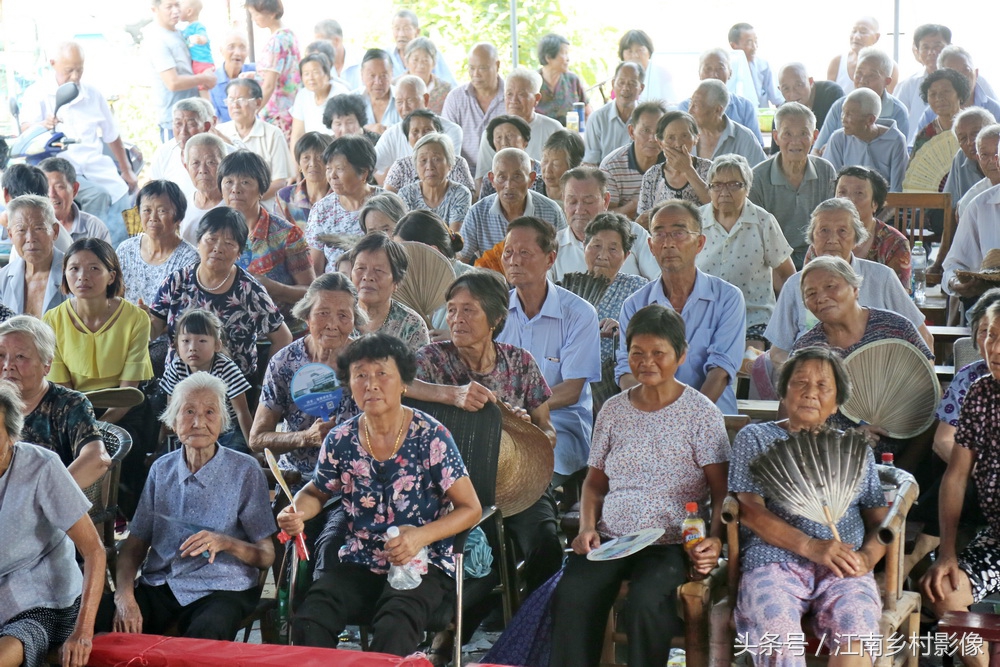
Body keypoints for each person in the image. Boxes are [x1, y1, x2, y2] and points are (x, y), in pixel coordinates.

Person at [549, 304, 728, 667]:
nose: (647, 362)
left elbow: (722, 492)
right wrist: (586, 529)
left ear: (680, 354)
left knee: (648, 601)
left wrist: (714, 538)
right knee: (571, 593)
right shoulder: (614, 410)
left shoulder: (701, 413)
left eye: (658, 353)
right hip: (612, 538)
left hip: (671, 542)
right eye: (637, 353)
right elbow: (594, 484)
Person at [278, 333, 479, 655]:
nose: (371, 384)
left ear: (403, 383)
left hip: (422, 562)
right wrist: (298, 512)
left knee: (395, 623)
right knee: (312, 614)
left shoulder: (430, 436)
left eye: (382, 374)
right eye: (360, 375)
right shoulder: (341, 439)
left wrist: (418, 537)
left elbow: (470, 508)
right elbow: (315, 492)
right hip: (360, 559)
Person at [728, 346, 887, 664]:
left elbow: (882, 523)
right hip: (774, 564)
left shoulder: (853, 450)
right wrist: (811, 546)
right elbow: (749, 510)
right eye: (799, 382)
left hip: (843, 564)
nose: (810, 392)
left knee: (857, 628)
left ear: (837, 402)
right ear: (783, 392)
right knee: (779, 633)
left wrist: (867, 558)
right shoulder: (756, 438)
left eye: (823, 386)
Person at [414, 269, 561, 594]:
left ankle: (537, 631)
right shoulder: (432, 358)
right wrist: (450, 394)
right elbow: (396, 384)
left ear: (494, 317)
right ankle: (454, 638)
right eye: (451, 309)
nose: (456, 319)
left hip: (520, 475)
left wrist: (527, 433)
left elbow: (548, 431)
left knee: (545, 543)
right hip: (455, 485)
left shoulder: (519, 362)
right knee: (488, 558)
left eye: (469, 310)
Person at [99, 373, 275, 640]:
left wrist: (225, 542)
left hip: (223, 588)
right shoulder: (162, 469)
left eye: (209, 412)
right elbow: (134, 546)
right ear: (173, 419)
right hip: (162, 584)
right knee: (95, 619)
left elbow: (265, 556)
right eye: (188, 411)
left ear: (222, 421)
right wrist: (125, 597)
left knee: (206, 635)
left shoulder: (245, 470)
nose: (198, 422)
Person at [0, 379, 105, 667]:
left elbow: (95, 550)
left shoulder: (41, 467)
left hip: (43, 602)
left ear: (12, 435)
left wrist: (83, 632)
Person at [921, 299, 1000, 667]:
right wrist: (947, 553)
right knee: (943, 591)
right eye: (990, 336)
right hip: (997, 536)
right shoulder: (981, 392)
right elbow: (955, 475)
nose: (995, 348)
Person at [766, 199, 931, 368]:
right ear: (812, 238)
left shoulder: (882, 278)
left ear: (856, 239)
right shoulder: (795, 284)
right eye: (824, 230)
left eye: (842, 231)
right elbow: (778, 352)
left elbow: (923, 337)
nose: (832, 239)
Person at [496, 216, 600, 485]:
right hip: (503, 424)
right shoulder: (495, 313)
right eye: (508, 252)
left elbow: (572, 389)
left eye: (525, 253)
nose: (514, 260)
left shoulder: (579, 314)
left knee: (529, 475)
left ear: (550, 259)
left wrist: (521, 409)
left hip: (561, 424)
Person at [616, 200, 745, 414]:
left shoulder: (727, 298)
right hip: (650, 418)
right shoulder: (635, 304)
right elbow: (626, 371)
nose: (668, 243)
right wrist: (652, 413)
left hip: (709, 416)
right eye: (659, 234)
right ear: (650, 246)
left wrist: (685, 418)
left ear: (700, 243)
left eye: (678, 233)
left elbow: (720, 369)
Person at [149, 207, 292, 379]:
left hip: (233, 390)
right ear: (198, 242)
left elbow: (283, 337)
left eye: (229, 243)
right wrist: (142, 321)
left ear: (239, 253)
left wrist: (265, 386)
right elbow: (154, 329)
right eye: (211, 239)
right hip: (179, 383)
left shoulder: (249, 290)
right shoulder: (177, 281)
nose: (218, 248)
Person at [19, 41, 137, 240]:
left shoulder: (92, 94)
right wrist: (42, 125)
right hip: (63, 172)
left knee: (126, 195)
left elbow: (112, 135)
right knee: (98, 196)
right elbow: (24, 131)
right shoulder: (37, 93)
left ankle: (125, 250)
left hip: (96, 167)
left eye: (79, 70)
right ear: (53, 63)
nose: (75, 76)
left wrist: (127, 171)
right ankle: (90, 250)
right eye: (69, 70)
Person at [697, 154, 795, 348]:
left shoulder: (763, 221)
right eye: (717, 185)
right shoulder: (696, 221)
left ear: (747, 189)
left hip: (753, 317)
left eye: (734, 185)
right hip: (704, 316)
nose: (724, 192)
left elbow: (786, 276)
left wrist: (786, 322)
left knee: (751, 360)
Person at [0, 315, 108, 489]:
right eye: (1, 355)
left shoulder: (69, 404)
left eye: (20, 356)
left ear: (47, 364)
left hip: (48, 507)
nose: (7, 365)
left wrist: (45, 498)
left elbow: (97, 459)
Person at [43, 238, 153, 405]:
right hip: (70, 409)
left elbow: (129, 393)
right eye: (74, 268)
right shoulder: (52, 320)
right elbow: (62, 389)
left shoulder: (136, 318)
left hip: (123, 409)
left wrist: (99, 427)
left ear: (111, 276)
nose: (82, 277)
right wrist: (82, 424)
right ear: (65, 273)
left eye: (94, 268)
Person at [217, 151, 315, 312]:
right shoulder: (214, 232)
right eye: (228, 182)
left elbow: (311, 293)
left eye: (245, 182)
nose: (235, 189)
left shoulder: (287, 235)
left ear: (262, 189)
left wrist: (276, 289)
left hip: (285, 328)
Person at [749, 102, 837, 269]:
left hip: (818, 257)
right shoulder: (757, 177)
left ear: (815, 136)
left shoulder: (826, 171)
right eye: (787, 134)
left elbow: (831, 223)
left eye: (804, 133)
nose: (795, 142)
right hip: (774, 261)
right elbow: (757, 236)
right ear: (776, 137)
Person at [559, 212, 648, 373]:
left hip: (621, 374)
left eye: (613, 249)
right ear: (584, 246)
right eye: (596, 245)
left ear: (626, 255)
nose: (603, 255)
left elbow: (652, 335)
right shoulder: (567, 289)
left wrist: (624, 331)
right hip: (571, 372)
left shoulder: (638, 288)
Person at [160, 308, 251, 452]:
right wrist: (160, 443)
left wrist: (255, 449)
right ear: (176, 344)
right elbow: (172, 412)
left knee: (233, 454)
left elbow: (242, 412)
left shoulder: (226, 368)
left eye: (202, 340)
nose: (193, 348)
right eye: (186, 341)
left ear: (217, 345)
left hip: (226, 430)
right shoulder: (176, 367)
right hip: (189, 428)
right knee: (168, 457)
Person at [804, 166, 910, 285]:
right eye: (842, 192)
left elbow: (899, 296)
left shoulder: (895, 244)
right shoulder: (822, 237)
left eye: (859, 193)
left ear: (875, 203)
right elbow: (807, 287)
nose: (848, 199)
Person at [550, 167, 658, 281]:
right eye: (572, 201)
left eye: (588, 201)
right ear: (564, 201)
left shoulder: (634, 233)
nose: (579, 210)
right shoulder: (552, 246)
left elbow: (659, 279)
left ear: (605, 200)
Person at [459, 148, 567, 262]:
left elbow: (563, 258)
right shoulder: (477, 213)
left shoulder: (552, 211)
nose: (509, 185)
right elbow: (461, 258)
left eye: (517, 177)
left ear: (531, 179)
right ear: (492, 179)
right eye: (502, 177)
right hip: (493, 278)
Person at [306, 135, 385, 272]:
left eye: (339, 169)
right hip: (336, 287)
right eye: (329, 169)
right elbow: (315, 269)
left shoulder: (387, 204)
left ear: (363, 172)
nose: (332, 176)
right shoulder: (322, 209)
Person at [474, 68, 564, 188]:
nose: (513, 100)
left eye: (521, 94)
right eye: (509, 94)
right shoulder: (494, 131)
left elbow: (563, 175)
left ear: (536, 99)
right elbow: (482, 178)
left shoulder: (553, 129)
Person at [116, 179, 198, 306]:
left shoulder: (189, 260)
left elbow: (185, 313)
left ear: (179, 217)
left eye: (162, 211)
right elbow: (114, 297)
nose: (153, 218)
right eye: (147, 210)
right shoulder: (126, 250)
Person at [144, 0, 217, 141]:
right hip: (174, 123)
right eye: (169, 6)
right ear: (155, 10)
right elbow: (173, 82)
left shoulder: (182, 33)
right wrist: (204, 78)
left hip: (194, 116)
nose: (175, 10)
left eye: (177, 4)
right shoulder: (157, 39)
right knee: (176, 161)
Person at [814, 47, 911, 153]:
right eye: (859, 74)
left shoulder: (897, 111)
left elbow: (896, 152)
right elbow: (817, 150)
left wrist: (837, 147)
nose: (863, 80)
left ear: (887, 81)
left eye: (871, 76)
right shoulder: (840, 106)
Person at [216, 78, 295, 206]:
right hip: (227, 207)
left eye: (241, 100)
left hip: (263, 207)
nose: (235, 105)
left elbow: (280, 181)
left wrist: (249, 201)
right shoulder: (220, 132)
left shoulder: (273, 134)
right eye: (231, 100)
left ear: (258, 103)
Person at [349, 232, 429, 351]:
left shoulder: (411, 325)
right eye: (360, 268)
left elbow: (420, 368)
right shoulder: (338, 315)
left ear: (396, 282)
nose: (367, 276)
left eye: (379, 270)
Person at [373, 82, 464, 182]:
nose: (405, 108)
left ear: (425, 99)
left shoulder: (452, 131)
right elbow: (371, 165)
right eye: (399, 102)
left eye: (410, 101)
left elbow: (450, 173)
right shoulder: (391, 135)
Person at [824, 88, 909, 192]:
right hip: (846, 204)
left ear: (870, 120)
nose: (843, 119)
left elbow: (897, 190)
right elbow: (831, 183)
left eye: (849, 115)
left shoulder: (896, 140)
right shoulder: (838, 138)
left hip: (883, 205)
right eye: (843, 113)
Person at [677, 48, 764, 146]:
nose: (714, 74)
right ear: (699, 74)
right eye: (708, 68)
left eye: (720, 68)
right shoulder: (685, 108)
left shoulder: (745, 107)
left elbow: (756, 145)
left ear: (730, 73)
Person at [0, 195, 70, 316]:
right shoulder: (3, 278)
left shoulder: (75, 275)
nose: (30, 238)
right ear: (11, 235)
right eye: (21, 230)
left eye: (39, 228)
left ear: (55, 231)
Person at [442, 43, 505, 175]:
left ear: (497, 65)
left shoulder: (511, 97)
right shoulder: (456, 98)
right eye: (471, 68)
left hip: (504, 171)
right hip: (462, 173)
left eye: (482, 68)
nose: (476, 74)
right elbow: (446, 143)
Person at [636, 110, 711, 217]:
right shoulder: (652, 175)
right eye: (671, 137)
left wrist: (688, 170)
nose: (678, 144)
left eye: (685, 136)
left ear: (696, 138)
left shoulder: (710, 169)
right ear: (660, 142)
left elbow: (716, 206)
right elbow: (643, 217)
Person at [599, 101, 666, 220]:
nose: (653, 139)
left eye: (659, 132)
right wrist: (632, 208)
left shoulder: (674, 162)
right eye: (646, 131)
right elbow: (603, 215)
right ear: (631, 132)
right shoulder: (612, 166)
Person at [382, 113, 474, 197]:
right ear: (407, 136)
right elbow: (387, 200)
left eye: (427, 130)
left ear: (438, 132)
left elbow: (470, 199)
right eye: (415, 131)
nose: (422, 135)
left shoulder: (457, 163)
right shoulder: (401, 166)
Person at [244, 0, 299, 139]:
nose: (253, 18)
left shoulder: (276, 41)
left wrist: (253, 112)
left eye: (256, 14)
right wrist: (256, 76)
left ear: (271, 13)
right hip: (291, 107)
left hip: (276, 112)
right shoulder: (289, 34)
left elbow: (269, 85)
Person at [915, 46, 1000, 136]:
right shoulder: (931, 114)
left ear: (976, 73)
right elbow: (917, 147)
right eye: (952, 73)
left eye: (966, 70)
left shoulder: (994, 109)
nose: (961, 77)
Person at [398, 133, 472, 231]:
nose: (429, 167)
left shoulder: (460, 193)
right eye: (423, 160)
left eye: (436, 159)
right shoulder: (406, 194)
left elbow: (455, 237)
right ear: (416, 166)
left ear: (450, 164)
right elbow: (403, 235)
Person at [894, 24, 952, 146]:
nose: (932, 52)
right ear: (917, 51)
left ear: (949, 48)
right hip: (918, 153)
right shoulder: (908, 85)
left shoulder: (969, 79)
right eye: (925, 47)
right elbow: (895, 123)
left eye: (938, 46)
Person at [148, 97, 217, 199]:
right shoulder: (164, 153)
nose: (183, 132)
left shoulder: (223, 153)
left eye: (191, 124)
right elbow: (152, 192)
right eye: (178, 124)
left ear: (206, 127)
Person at [687, 80, 765, 166]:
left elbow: (761, 175)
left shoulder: (744, 138)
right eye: (691, 103)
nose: (690, 110)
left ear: (717, 110)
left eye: (696, 105)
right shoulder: (684, 135)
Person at [583, 62, 644, 165]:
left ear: (641, 88)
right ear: (613, 84)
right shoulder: (597, 119)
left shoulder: (647, 119)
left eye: (632, 83)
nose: (626, 88)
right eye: (621, 82)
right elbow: (591, 163)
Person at [38, 158, 111, 243]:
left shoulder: (94, 228)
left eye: (59, 187)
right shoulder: (31, 229)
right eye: (45, 187)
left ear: (74, 189)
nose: (51, 194)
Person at [943, 108, 997, 221]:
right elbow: (951, 207)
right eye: (963, 138)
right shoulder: (960, 158)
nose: (970, 142)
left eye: (976, 134)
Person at [289, 53, 350, 150]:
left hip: (336, 150)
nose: (311, 78)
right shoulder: (302, 95)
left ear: (326, 74)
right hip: (311, 151)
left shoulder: (340, 93)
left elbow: (345, 133)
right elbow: (297, 135)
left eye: (315, 72)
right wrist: (297, 163)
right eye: (306, 74)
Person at [477, 115, 546, 199]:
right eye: (499, 137)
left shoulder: (543, 172)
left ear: (525, 141)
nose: (504, 142)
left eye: (510, 136)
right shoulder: (490, 178)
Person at [826, 17, 899, 94]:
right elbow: (829, 96)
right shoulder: (837, 62)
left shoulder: (890, 65)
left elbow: (890, 100)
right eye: (854, 31)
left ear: (877, 37)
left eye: (863, 32)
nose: (856, 36)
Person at [277, 132, 333, 229]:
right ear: (299, 164)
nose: (313, 164)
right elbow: (278, 237)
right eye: (306, 158)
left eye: (319, 157)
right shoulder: (285, 197)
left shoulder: (342, 197)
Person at [912, 68, 971, 159]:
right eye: (933, 94)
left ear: (960, 94)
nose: (939, 98)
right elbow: (916, 170)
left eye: (946, 92)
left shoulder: (976, 127)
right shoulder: (925, 136)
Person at [178, 132, 226, 243]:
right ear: (186, 167)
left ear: (223, 165)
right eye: (195, 163)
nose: (202, 170)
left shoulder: (234, 206)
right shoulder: (182, 206)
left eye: (211, 162)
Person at [387, 9, 456, 85]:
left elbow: (450, 85)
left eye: (406, 29)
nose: (401, 34)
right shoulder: (385, 56)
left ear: (417, 31)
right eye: (397, 29)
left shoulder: (430, 52)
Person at [777, 62, 845, 137]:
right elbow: (776, 148)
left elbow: (841, 136)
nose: (793, 94)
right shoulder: (782, 114)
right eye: (786, 88)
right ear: (780, 90)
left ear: (810, 81)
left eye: (799, 85)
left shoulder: (831, 94)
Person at [535, 33, 589, 126]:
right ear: (548, 57)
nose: (568, 59)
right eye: (564, 53)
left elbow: (588, 112)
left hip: (570, 136)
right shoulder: (533, 82)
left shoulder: (573, 80)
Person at [729, 22, 783, 108]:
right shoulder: (726, 68)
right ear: (734, 45)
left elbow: (778, 99)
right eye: (749, 43)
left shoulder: (763, 66)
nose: (754, 47)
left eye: (756, 41)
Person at [954, 122, 1000, 221]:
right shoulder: (970, 203)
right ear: (978, 158)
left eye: (997, 153)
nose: (992, 160)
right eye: (985, 155)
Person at [617, 29, 676, 105]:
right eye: (629, 51)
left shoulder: (662, 74)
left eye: (640, 50)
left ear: (649, 52)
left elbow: (671, 104)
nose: (635, 55)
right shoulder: (619, 76)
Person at [209, 30, 255, 124]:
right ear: (221, 50)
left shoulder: (255, 72)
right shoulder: (213, 80)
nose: (237, 53)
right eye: (231, 47)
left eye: (242, 48)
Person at [404, 37, 451, 115]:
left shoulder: (445, 90)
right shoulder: (394, 87)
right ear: (406, 62)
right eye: (415, 60)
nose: (420, 65)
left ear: (434, 63)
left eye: (425, 60)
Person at [538, 130, 585, 208]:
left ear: (573, 167)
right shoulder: (531, 187)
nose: (547, 170)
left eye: (556, 164)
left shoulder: (584, 192)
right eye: (545, 161)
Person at [356, 49, 399, 135]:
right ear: (362, 74)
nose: (378, 82)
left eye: (383, 76)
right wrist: (365, 129)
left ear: (392, 74)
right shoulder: (351, 100)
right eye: (372, 75)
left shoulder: (403, 99)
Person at [313, 19, 358, 85]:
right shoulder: (318, 66)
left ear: (336, 41)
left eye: (320, 44)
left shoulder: (362, 62)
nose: (317, 49)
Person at [179, 0, 213, 79]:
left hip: (203, 62)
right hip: (195, 62)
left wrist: (201, 39)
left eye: (179, 10)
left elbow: (204, 36)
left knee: (203, 86)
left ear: (189, 11)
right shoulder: (185, 29)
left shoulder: (197, 25)